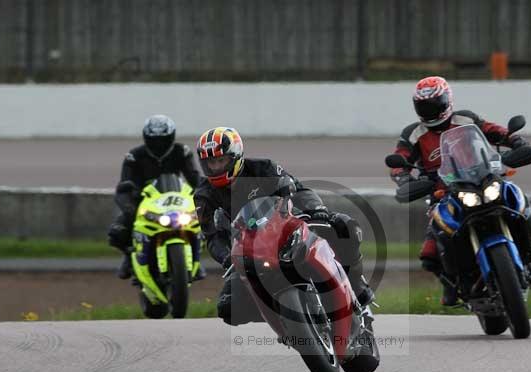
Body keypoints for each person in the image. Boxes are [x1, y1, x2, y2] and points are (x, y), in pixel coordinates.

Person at [193, 126, 373, 325]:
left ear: (235, 156)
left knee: (345, 226)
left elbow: (296, 188)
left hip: (288, 229)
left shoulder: (263, 168)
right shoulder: (203, 195)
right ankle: (285, 320)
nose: (216, 167)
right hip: (248, 251)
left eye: (221, 160)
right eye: (211, 162)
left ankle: (357, 287)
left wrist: (317, 209)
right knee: (228, 309)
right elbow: (211, 236)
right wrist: (227, 258)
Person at [389, 76, 531, 304]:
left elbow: (496, 132)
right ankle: (451, 284)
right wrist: (404, 179)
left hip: (483, 179)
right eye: (424, 106)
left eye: (435, 103)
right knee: (430, 252)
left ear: (447, 100)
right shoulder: (413, 133)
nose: (430, 110)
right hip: (444, 193)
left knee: (518, 203)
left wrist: (516, 142)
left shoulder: (466, 119)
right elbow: (398, 160)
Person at [107, 114, 205, 280]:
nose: (159, 145)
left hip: (177, 200)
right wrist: (130, 199)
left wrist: (204, 195)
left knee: (206, 221)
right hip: (145, 201)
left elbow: (195, 179)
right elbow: (124, 184)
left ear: (171, 137)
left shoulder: (182, 152)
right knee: (118, 231)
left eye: (163, 140)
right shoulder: (134, 156)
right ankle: (130, 257)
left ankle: (195, 258)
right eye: (154, 140)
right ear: (146, 138)